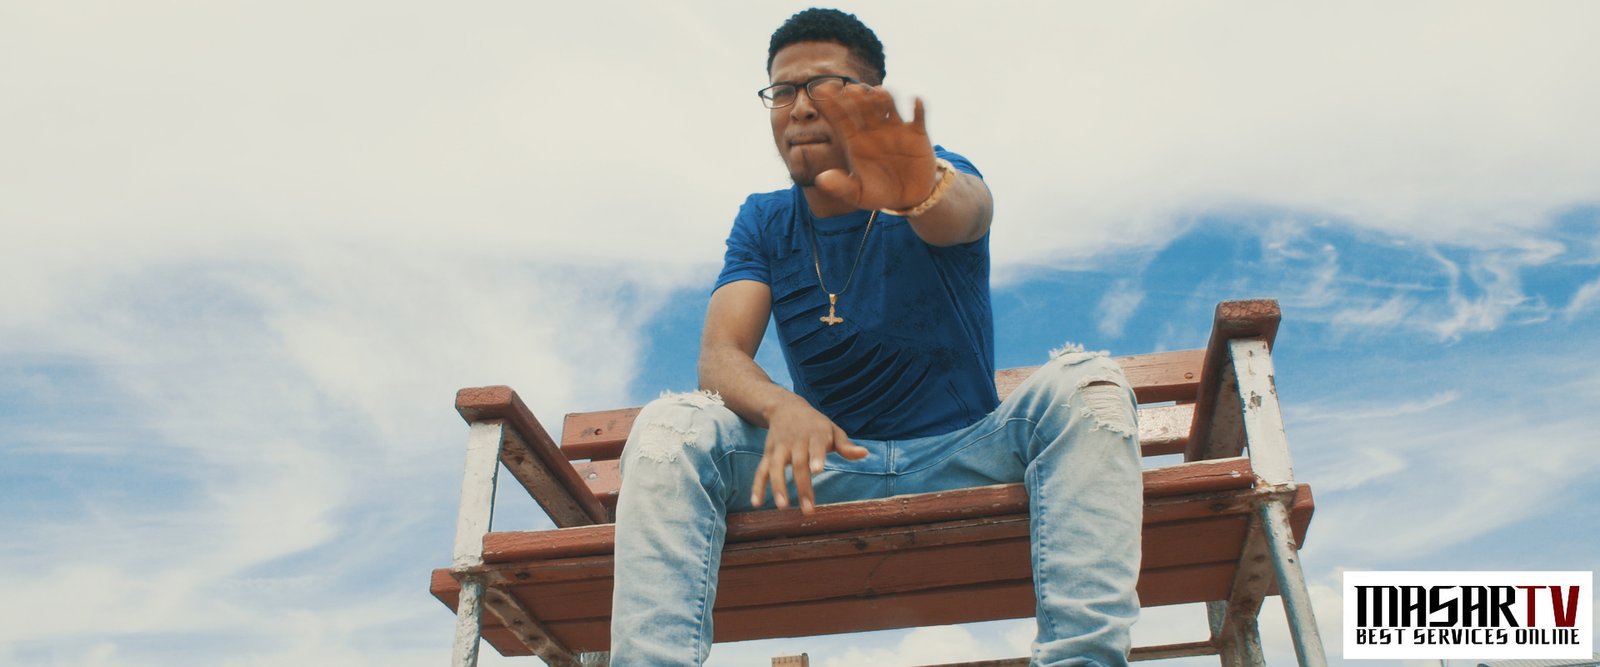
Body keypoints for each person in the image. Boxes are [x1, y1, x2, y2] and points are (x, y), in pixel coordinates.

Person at [610, 8, 1143, 666]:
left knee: (1087, 384)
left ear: (870, 98)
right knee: (671, 424)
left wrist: (920, 192)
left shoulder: (933, 174)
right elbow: (720, 355)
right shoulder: (764, 220)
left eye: (822, 85)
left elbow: (967, 211)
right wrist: (782, 406)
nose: (800, 106)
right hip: (829, 469)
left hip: (965, 452)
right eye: (783, 90)